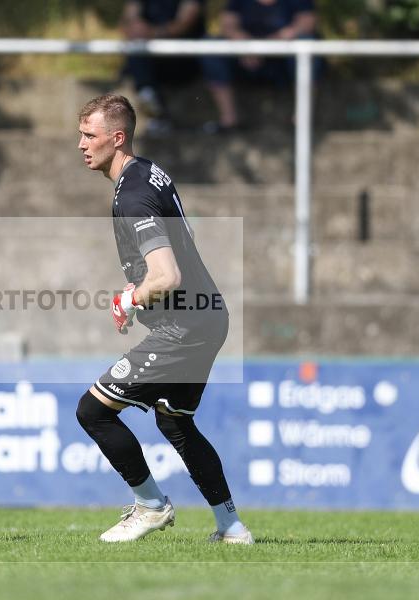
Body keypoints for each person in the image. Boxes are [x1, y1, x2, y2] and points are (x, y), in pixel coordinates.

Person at [75, 94, 253, 544]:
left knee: (93, 411)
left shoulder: (132, 195)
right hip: (208, 317)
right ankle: (231, 528)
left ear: (117, 138)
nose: (81, 144)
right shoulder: (149, 172)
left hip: (186, 327)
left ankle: (151, 506)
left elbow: (167, 274)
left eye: (89, 135)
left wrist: (129, 299)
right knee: (175, 421)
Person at [203, 0, 317, 131]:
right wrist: (245, 45)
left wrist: (264, 47)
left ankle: (301, 121)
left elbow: (306, 24)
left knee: (306, 46)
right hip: (244, 60)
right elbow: (227, 26)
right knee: (211, 46)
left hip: (283, 62)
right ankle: (229, 120)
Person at [120, 0, 208, 133]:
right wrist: (135, 27)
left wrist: (153, 33)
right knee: (135, 51)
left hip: (185, 59)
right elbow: (128, 19)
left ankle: (152, 102)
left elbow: (185, 23)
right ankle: (149, 97)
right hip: (150, 59)